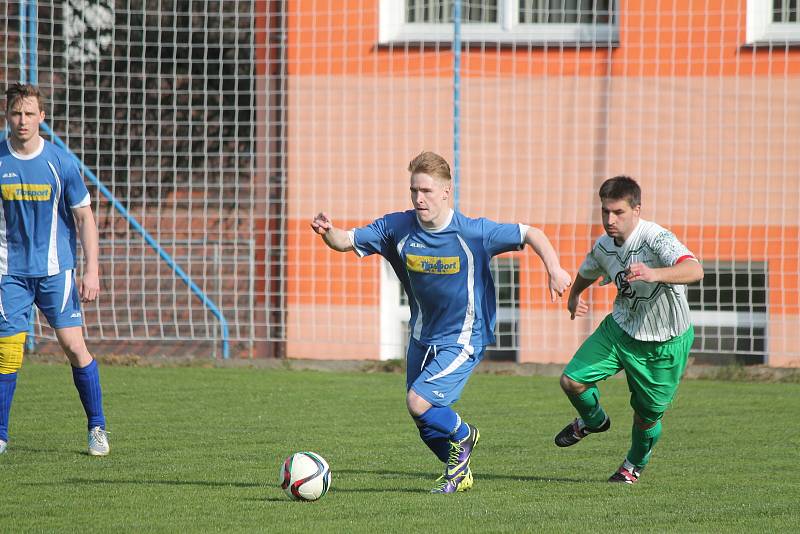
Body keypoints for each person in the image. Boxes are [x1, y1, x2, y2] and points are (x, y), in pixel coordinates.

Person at [311, 151, 572, 493]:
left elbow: (530, 233)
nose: (419, 199)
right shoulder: (396, 228)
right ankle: (458, 469)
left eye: (427, 191)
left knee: (419, 402)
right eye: (414, 191)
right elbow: (346, 241)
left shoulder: (473, 233)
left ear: (446, 192)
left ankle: (464, 435)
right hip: (422, 336)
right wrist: (327, 232)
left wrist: (554, 268)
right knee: (422, 417)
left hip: (464, 337)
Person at [555, 175, 703, 483]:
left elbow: (694, 269)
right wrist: (574, 297)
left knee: (646, 417)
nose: (610, 220)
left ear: (636, 209)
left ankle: (633, 464)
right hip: (620, 330)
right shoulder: (604, 246)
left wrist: (655, 273)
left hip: (664, 342)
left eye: (618, 212)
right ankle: (594, 421)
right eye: (605, 211)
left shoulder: (657, 239)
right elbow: (587, 271)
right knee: (571, 381)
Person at [0, 83, 109, 456]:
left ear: (42, 117)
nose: (23, 120)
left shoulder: (61, 162)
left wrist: (91, 270)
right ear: (7, 115)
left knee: (74, 347)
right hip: (8, 273)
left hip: (55, 272)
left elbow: (84, 218)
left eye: (30, 113)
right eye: (16, 113)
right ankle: (0, 435)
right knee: (8, 351)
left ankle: (97, 428)